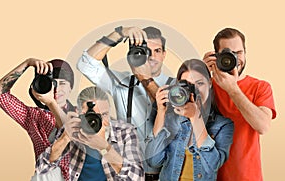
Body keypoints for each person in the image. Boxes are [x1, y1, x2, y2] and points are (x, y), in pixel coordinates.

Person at [77, 26, 174, 180]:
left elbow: (173, 111)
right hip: (126, 174)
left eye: (157, 51)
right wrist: (119, 33)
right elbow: (85, 64)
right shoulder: (120, 83)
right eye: (146, 51)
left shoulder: (175, 86)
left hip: (166, 175)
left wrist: (144, 77)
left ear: (164, 54)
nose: (152, 56)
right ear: (135, 54)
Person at [203, 27, 277, 181]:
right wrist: (199, 73)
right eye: (228, 53)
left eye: (239, 53)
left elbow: (263, 126)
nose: (234, 58)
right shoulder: (206, 85)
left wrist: (233, 89)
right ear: (216, 56)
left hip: (248, 176)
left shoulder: (260, 87)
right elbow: (179, 116)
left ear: (245, 52)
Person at [145, 59, 234, 181]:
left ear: (210, 83)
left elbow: (211, 166)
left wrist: (195, 117)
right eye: (187, 85)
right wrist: (161, 112)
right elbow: (153, 161)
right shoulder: (171, 119)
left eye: (199, 83)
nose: (194, 90)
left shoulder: (223, 125)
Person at [0, 58, 75, 181]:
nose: (56, 89)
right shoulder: (33, 116)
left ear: (70, 88)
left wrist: (51, 102)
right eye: (52, 83)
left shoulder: (82, 114)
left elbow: (70, 134)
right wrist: (27, 63)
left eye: (62, 83)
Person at [35, 86, 144, 180]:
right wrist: (65, 138)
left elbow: (138, 178)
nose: (99, 121)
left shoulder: (125, 132)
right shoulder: (73, 129)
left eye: (104, 114)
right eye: (93, 115)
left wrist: (104, 148)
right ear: (79, 112)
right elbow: (42, 168)